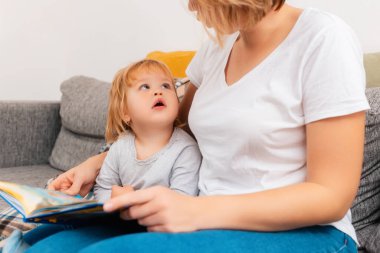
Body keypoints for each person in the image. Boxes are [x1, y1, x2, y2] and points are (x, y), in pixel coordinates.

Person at [16, 0, 369, 252]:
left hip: (309, 233)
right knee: (39, 242)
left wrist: (194, 210)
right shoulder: (219, 48)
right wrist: (98, 164)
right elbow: (175, 127)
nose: (191, 8)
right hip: (206, 217)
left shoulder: (323, 39)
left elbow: (331, 196)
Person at [93, 59, 201, 202]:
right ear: (125, 112)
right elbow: (103, 188)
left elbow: (182, 201)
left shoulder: (186, 150)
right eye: (145, 87)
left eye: (166, 86)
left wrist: (133, 201)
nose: (158, 92)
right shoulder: (120, 147)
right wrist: (114, 200)